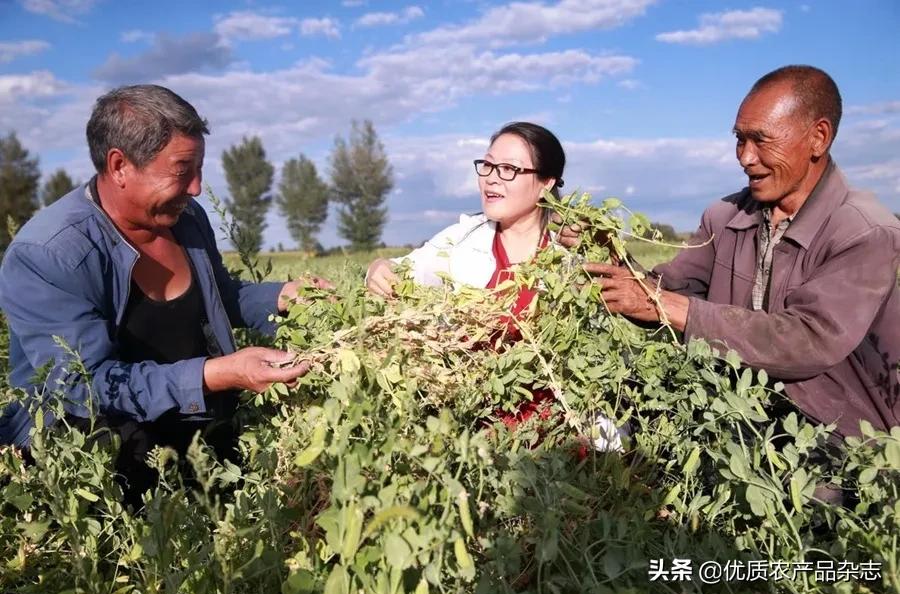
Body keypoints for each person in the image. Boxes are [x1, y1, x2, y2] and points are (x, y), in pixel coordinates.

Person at [0, 84, 327, 505]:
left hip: (193, 432)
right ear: (120, 165)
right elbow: (85, 387)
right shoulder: (49, 253)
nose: (196, 188)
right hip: (98, 457)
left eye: (200, 169)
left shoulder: (186, 220)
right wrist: (217, 373)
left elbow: (220, 299)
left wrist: (284, 297)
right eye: (182, 169)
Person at [575, 65, 900, 441]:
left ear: (818, 138)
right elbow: (669, 285)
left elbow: (808, 339)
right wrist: (612, 260)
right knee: (613, 432)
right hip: (731, 410)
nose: (745, 157)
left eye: (761, 140)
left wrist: (663, 304)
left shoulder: (865, 232)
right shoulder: (725, 216)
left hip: (835, 430)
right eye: (740, 139)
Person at [367, 121, 623, 450]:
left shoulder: (576, 251)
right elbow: (398, 270)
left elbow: (613, 343)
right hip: (473, 429)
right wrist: (378, 268)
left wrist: (606, 248)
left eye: (508, 169)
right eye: (487, 165)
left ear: (545, 183)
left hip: (565, 432)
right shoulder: (461, 238)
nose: (491, 176)